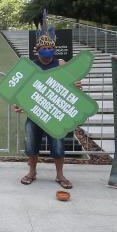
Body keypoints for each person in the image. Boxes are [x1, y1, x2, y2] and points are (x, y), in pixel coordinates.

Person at [17, 21, 74, 189]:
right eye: (43, 48)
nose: (47, 50)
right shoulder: (32, 66)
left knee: (58, 145)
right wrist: (19, 104)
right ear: (37, 50)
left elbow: (72, 85)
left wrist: (77, 85)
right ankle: (32, 172)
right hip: (35, 114)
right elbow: (23, 89)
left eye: (50, 47)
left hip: (55, 115)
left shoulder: (61, 64)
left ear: (54, 49)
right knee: (31, 145)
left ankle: (60, 175)